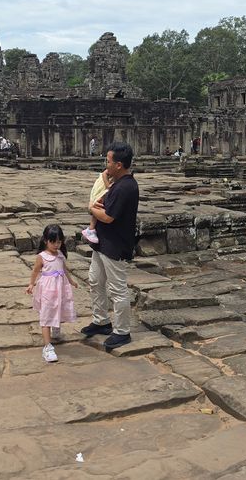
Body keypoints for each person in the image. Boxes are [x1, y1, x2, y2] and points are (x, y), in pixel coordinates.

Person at [82, 141, 140, 351]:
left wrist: (91, 209)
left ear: (118, 165)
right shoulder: (118, 182)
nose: (105, 164)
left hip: (115, 245)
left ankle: (122, 331)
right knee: (95, 280)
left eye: (108, 161)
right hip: (102, 243)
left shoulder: (126, 187)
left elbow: (107, 217)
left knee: (117, 289)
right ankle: (101, 320)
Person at [28, 225, 77, 363]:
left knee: (59, 307)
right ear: (45, 241)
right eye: (53, 242)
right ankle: (47, 347)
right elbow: (35, 271)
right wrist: (31, 284)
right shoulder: (42, 256)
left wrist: (71, 281)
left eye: (59, 242)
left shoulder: (60, 254)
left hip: (60, 287)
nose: (56, 245)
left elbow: (64, 269)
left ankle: (56, 327)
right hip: (48, 290)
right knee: (46, 314)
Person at [81, 168, 112, 245]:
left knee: (99, 205)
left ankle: (91, 229)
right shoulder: (110, 169)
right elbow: (104, 174)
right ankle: (91, 229)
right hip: (101, 188)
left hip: (103, 187)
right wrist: (108, 186)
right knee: (98, 205)